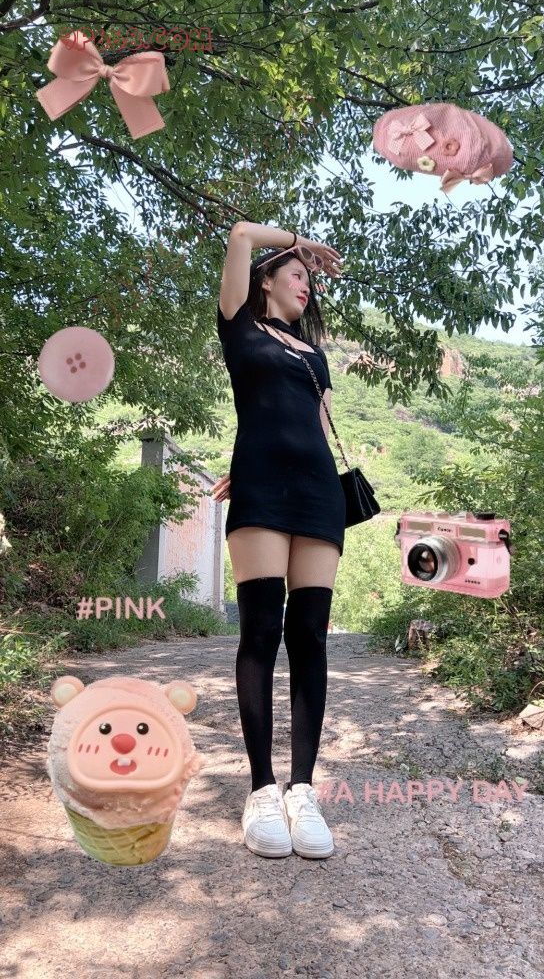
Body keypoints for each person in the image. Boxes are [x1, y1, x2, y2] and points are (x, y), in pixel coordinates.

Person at [211, 222, 345, 859]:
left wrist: (301, 462)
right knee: (261, 631)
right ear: (266, 280)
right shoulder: (240, 326)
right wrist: (297, 242)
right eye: (297, 273)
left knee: (310, 637)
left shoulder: (314, 355)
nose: (306, 282)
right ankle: (262, 790)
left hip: (318, 494)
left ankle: (302, 791)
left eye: (309, 278)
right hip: (261, 490)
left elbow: (314, 424)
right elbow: (240, 234)